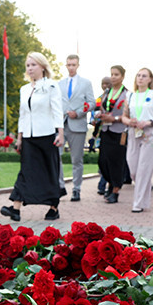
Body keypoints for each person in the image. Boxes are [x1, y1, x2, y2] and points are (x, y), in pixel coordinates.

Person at [0, 52, 64, 221]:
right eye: (28, 65)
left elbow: (57, 110)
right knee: (25, 172)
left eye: (33, 65)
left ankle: (54, 208)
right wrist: (19, 138)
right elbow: (23, 115)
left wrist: (60, 133)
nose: (30, 68)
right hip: (28, 137)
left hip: (47, 135)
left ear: (42, 67)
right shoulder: (24, 89)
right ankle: (15, 209)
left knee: (50, 171)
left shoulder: (51, 85)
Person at [121, 68, 153, 212]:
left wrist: (149, 122)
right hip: (134, 132)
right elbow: (124, 116)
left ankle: (138, 203)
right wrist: (129, 121)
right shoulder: (130, 96)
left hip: (149, 133)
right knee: (133, 168)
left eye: (144, 76)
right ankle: (144, 190)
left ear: (150, 79)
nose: (140, 78)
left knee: (144, 168)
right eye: (138, 75)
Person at [58, 54, 95, 202]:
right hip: (61, 125)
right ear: (66, 65)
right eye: (69, 65)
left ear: (78, 65)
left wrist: (79, 112)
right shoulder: (59, 84)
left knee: (76, 159)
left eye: (73, 65)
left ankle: (76, 189)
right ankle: (60, 186)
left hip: (77, 124)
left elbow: (91, 103)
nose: (71, 67)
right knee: (56, 157)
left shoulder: (85, 83)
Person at [98, 65, 129, 204]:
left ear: (122, 76)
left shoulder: (127, 94)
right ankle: (111, 183)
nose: (113, 77)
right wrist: (100, 115)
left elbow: (128, 115)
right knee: (103, 161)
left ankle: (115, 190)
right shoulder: (107, 92)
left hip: (119, 130)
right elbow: (102, 107)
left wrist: (114, 118)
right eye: (112, 74)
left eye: (116, 74)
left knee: (116, 161)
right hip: (106, 129)